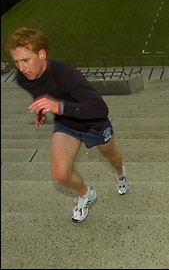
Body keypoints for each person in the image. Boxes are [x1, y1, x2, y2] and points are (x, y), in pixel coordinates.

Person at [6, 28, 130, 223]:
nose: (21, 68)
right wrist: (41, 110)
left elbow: (100, 108)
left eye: (25, 60)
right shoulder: (23, 78)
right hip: (66, 125)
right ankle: (85, 194)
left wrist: (58, 106)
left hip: (94, 124)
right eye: (16, 62)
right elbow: (39, 91)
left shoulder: (67, 75)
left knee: (111, 156)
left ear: (41, 54)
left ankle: (121, 174)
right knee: (60, 174)